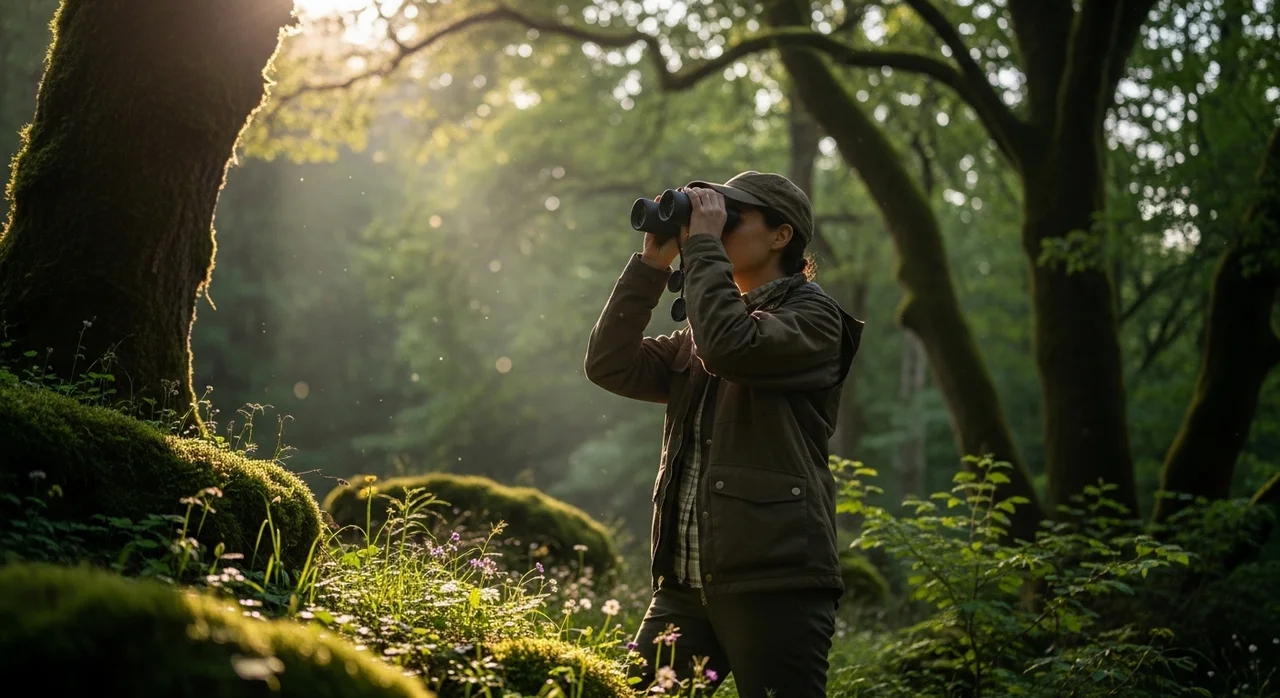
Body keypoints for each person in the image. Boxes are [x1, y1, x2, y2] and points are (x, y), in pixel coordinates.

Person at [584, 171, 864, 697]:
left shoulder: (815, 319)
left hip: (775, 581)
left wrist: (706, 247)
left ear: (781, 236)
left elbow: (732, 348)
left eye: (732, 215)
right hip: (686, 587)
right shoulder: (706, 330)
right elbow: (609, 364)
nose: (716, 224)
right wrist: (651, 266)